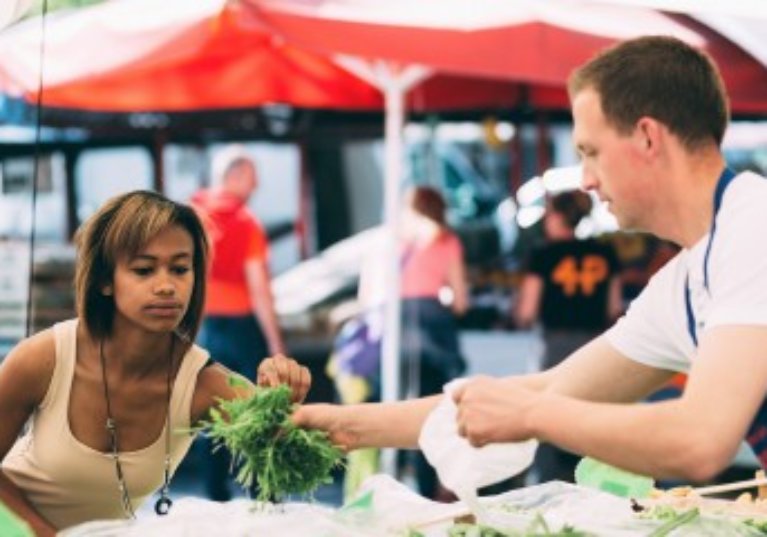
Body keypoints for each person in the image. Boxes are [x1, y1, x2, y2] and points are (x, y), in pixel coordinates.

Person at [294, 35, 767, 485]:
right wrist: (345, 426)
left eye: (591, 152)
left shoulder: (752, 229)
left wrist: (533, 418)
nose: (585, 180)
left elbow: (699, 441)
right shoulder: (686, 279)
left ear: (647, 137)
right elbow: (546, 389)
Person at [0, 191, 310, 535]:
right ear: (105, 280)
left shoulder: (205, 385)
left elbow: (292, 452)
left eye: (180, 269)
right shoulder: (43, 358)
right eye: (144, 270)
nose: (166, 286)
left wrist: (283, 400)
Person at [190, 145, 285, 501]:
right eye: (252, 175)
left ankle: (215, 494)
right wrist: (276, 343)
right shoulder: (246, 223)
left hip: (203, 328)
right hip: (242, 327)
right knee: (256, 410)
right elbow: (259, 288)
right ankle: (261, 494)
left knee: (211, 409)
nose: (257, 184)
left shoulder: (189, 216)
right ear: (235, 176)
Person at [514, 190, 622, 482]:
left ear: (559, 216)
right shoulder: (605, 253)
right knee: (590, 416)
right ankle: (590, 483)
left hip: (555, 346)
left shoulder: (543, 254)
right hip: (596, 346)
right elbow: (614, 308)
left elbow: (527, 310)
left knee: (546, 417)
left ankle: (551, 487)